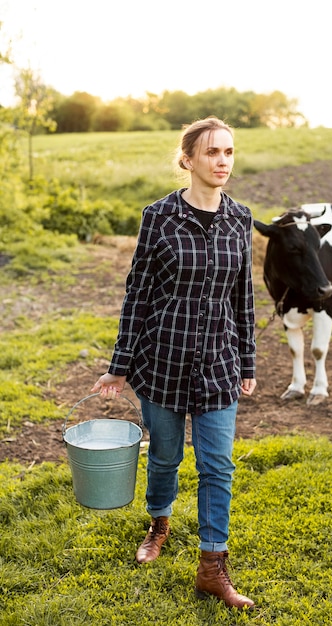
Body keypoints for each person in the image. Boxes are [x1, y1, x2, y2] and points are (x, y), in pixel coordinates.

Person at [91, 116, 256, 609]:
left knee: (218, 466)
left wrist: (246, 360)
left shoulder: (240, 218)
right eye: (211, 152)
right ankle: (159, 521)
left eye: (228, 152)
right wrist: (119, 364)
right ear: (188, 160)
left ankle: (212, 566)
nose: (222, 161)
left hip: (219, 362)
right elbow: (137, 294)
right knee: (164, 456)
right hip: (161, 358)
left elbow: (242, 296)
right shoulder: (159, 216)